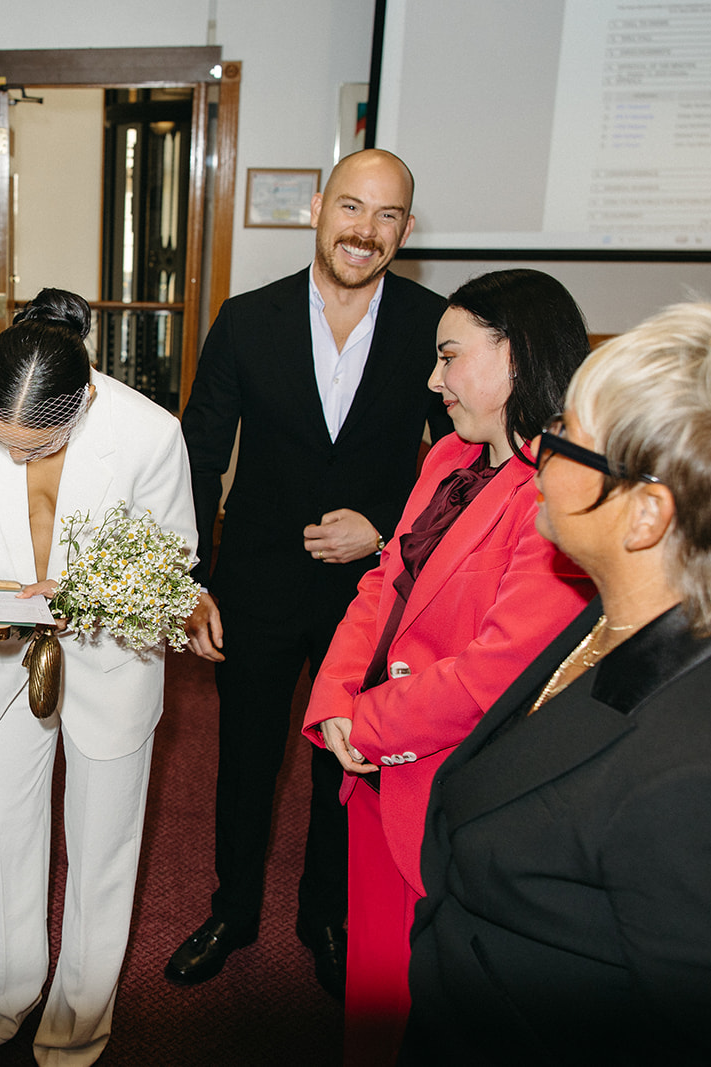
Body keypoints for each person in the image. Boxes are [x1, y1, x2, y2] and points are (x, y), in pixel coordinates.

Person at [402, 301, 711, 1066]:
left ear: (646, 513)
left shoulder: (709, 782)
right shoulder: (651, 602)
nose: (538, 456)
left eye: (566, 441)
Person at [168, 148, 451, 994]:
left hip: (371, 593)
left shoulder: (435, 326)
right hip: (254, 580)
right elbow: (198, 456)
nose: (365, 231)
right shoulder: (245, 319)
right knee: (245, 755)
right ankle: (233, 909)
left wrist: (387, 530)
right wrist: (190, 580)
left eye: (387, 216)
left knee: (349, 763)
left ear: (405, 230)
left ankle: (326, 916)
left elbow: (464, 465)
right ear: (319, 208)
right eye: (352, 208)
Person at [301, 269, 596, 1063]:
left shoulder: (559, 493)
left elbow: (492, 674)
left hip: (451, 788)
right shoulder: (449, 460)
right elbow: (382, 582)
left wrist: (366, 722)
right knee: (374, 987)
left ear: (516, 357)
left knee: (430, 1007)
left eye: (451, 355)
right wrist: (334, 698)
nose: (435, 379)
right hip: (374, 765)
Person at [0, 288, 198, 1066]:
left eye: (34, 448)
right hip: (5, 648)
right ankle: (3, 998)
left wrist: (89, 597)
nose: (13, 457)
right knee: (4, 829)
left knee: (101, 847)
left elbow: (174, 557)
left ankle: (76, 1028)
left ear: (80, 405)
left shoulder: (149, 433)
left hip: (112, 660)